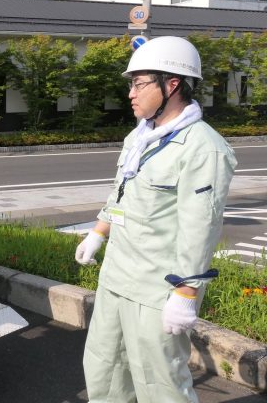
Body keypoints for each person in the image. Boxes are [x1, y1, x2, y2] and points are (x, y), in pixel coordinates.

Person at [74, 36, 237, 402]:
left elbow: (201, 228)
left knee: (159, 381)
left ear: (172, 84)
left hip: (157, 288)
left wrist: (186, 292)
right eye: (131, 83)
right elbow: (122, 194)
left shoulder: (203, 147)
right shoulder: (140, 137)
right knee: (105, 368)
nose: (131, 92)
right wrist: (100, 231)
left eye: (139, 83)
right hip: (117, 275)